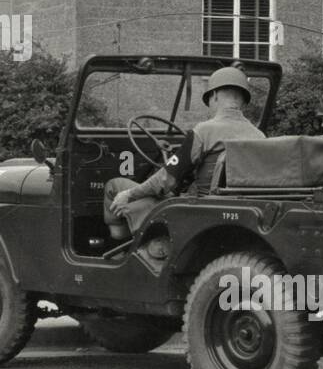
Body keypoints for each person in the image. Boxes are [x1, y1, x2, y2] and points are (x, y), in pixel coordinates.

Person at [104, 66, 265, 245]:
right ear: (243, 101)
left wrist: (129, 194)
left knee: (115, 186)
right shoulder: (259, 136)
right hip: (239, 213)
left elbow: (166, 180)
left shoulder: (203, 132)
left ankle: (123, 247)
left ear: (215, 96)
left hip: (195, 209)